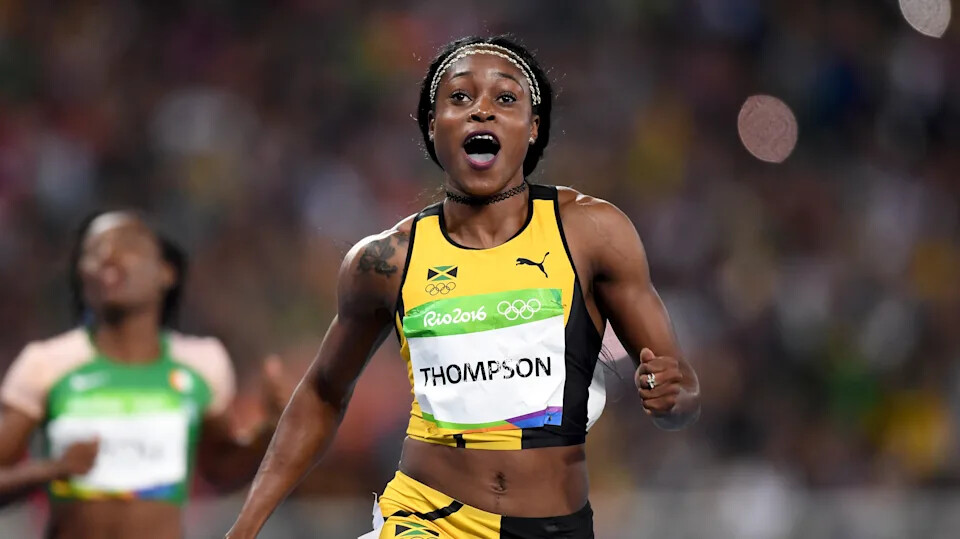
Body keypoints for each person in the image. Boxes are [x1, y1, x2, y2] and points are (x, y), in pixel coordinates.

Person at [227, 35, 701, 539]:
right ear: (433, 125)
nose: (481, 110)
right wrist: (245, 527)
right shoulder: (386, 261)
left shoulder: (593, 233)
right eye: (459, 97)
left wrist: (673, 398)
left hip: (554, 527)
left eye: (505, 97)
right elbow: (323, 392)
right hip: (427, 518)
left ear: (533, 127)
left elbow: (681, 390)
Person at [0, 211, 293, 539]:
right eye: (93, 251)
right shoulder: (46, 364)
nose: (108, 256)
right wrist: (52, 470)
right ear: (82, 276)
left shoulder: (202, 363)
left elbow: (221, 472)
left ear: (166, 272)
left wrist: (271, 432)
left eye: (129, 246)